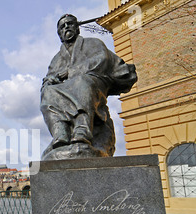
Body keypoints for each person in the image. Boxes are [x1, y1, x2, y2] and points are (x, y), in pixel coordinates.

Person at [40, 14, 137, 159]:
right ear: (59, 34)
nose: (66, 27)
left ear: (77, 28)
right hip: (67, 89)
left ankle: (82, 130)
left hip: (94, 82)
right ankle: (61, 132)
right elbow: (49, 76)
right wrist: (49, 80)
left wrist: (71, 72)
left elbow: (101, 59)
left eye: (70, 24)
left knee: (82, 82)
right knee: (48, 92)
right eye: (62, 26)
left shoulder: (93, 43)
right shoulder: (57, 58)